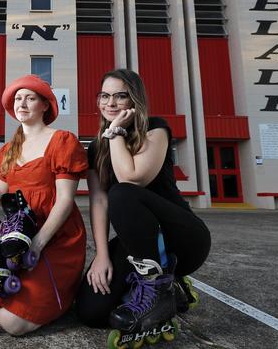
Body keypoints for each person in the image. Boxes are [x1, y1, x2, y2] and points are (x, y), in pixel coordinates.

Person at [0, 74, 88, 336]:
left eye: (30, 98)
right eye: (18, 99)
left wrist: (37, 243)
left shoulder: (62, 141)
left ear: (45, 105)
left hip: (55, 237)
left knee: (11, 323)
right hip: (15, 232)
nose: (22, 103)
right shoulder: (9, 149)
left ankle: (62, 295)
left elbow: (66, 201)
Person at [74, 69, 211, 335]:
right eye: (104, 95)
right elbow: (99, 202)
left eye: (120, 96)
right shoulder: (95, 148)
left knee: (122, 193)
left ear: (134, 101)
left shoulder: (155, 129)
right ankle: (172, 290)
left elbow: (131, 178)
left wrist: (115, 133)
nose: (110, 103)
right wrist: (102, 256)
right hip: (138, 242)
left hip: (182, 238)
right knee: (91, 312)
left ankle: (159, 288)